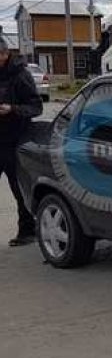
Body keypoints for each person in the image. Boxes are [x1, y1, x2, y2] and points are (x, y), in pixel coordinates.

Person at [0, 38, 43, 246]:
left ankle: (27, 230)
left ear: (5, 54)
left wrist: (13, 109)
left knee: (19, 187)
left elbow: (36, 106)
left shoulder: (20, 75)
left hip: (15, 140)